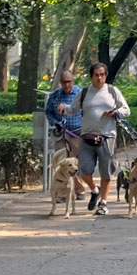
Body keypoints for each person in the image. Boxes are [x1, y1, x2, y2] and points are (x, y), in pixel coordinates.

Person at [77, 62, 130, 212]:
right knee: (83, 170)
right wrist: (63, 108)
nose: (99, 78)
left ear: (106, 76)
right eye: (96, 75)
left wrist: (116, 113)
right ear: (91, 76)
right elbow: (72, 109)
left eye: (102, 75)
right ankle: (95, 190)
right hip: (86, 137)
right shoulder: (85, 92)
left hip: (107, 137)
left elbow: (126, 109)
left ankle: (103, 203)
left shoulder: (112, 91)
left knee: (106, 171)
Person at [45, 69, 89, 197]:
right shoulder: (55, 95)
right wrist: (55, 123)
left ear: (73, 81)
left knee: (75, 164)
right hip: (61, 134)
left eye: (69, 82)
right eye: (64, 82)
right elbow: (48, 112)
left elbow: (87, 112)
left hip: (77, 134)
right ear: (60, 82)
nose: (66, 85)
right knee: (62, 163)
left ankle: (79, 190)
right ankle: (62, 193)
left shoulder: (80, 93)